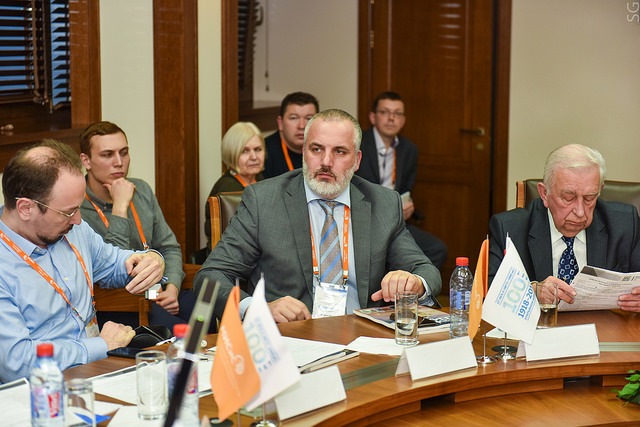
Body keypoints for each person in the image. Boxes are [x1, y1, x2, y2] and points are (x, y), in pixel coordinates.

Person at [194, 109, 442, 323]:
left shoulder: (383, 203)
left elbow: (425, 270)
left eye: (340, 152)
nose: (326, 161)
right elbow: (210, 277)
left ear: (357, 160)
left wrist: (414, 282)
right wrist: (257, 309)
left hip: (362, 337)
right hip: (290, 340)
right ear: (304, 152)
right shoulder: (263, 201)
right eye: (316, 149)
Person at [0, 140, 165, 383]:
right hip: (43, 388)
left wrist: (151, 260)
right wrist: (100, 345)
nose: (77, 220)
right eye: (68, 212)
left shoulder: (72, 229)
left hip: (98, 371)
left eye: (78, 208)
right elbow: (17, 363)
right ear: (26, 208)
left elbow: (114, 262)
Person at [488, 144, 640, 312]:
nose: (580, 212)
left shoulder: (625, 223)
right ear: (544, 193)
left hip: (605, 326)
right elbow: (486, 290)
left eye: (589, 198)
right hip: (542, 326)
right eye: (568, 198)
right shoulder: (509, 229)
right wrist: (532, 291)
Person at [79, 121, 189, 328]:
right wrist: (120, 207)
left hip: (159, 290)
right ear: (86, 161)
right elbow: (112, 267)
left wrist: (172, 287)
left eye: (124, 153)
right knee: (185, 332)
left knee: (209, 314)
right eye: (107, 155)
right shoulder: (76, 207)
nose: (119, 162)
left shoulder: (142, 189)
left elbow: (169, 247)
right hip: (119, 304)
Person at [355, 91, 448, 269]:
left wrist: (407, 205)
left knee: (437, 250)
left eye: (397, 113)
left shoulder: (409, 149)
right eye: (385, 112)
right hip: (363, 222)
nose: (391, 118)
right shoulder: (358, 144)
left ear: (403, 120)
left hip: (394, 222)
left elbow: (406, 189)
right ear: (373, 117)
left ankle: (407, 287)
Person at [204, 122, 265, 250]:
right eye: (245, 151)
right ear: (231, 154)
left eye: (258, 149)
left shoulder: (261, 180)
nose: (254, 157)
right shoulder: (227, 190)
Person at [262, 91, 319, 178]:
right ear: (280, 123)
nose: (301, 126)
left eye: (308, 119)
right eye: (294, 118)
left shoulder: (326, 151)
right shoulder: (263, 153)